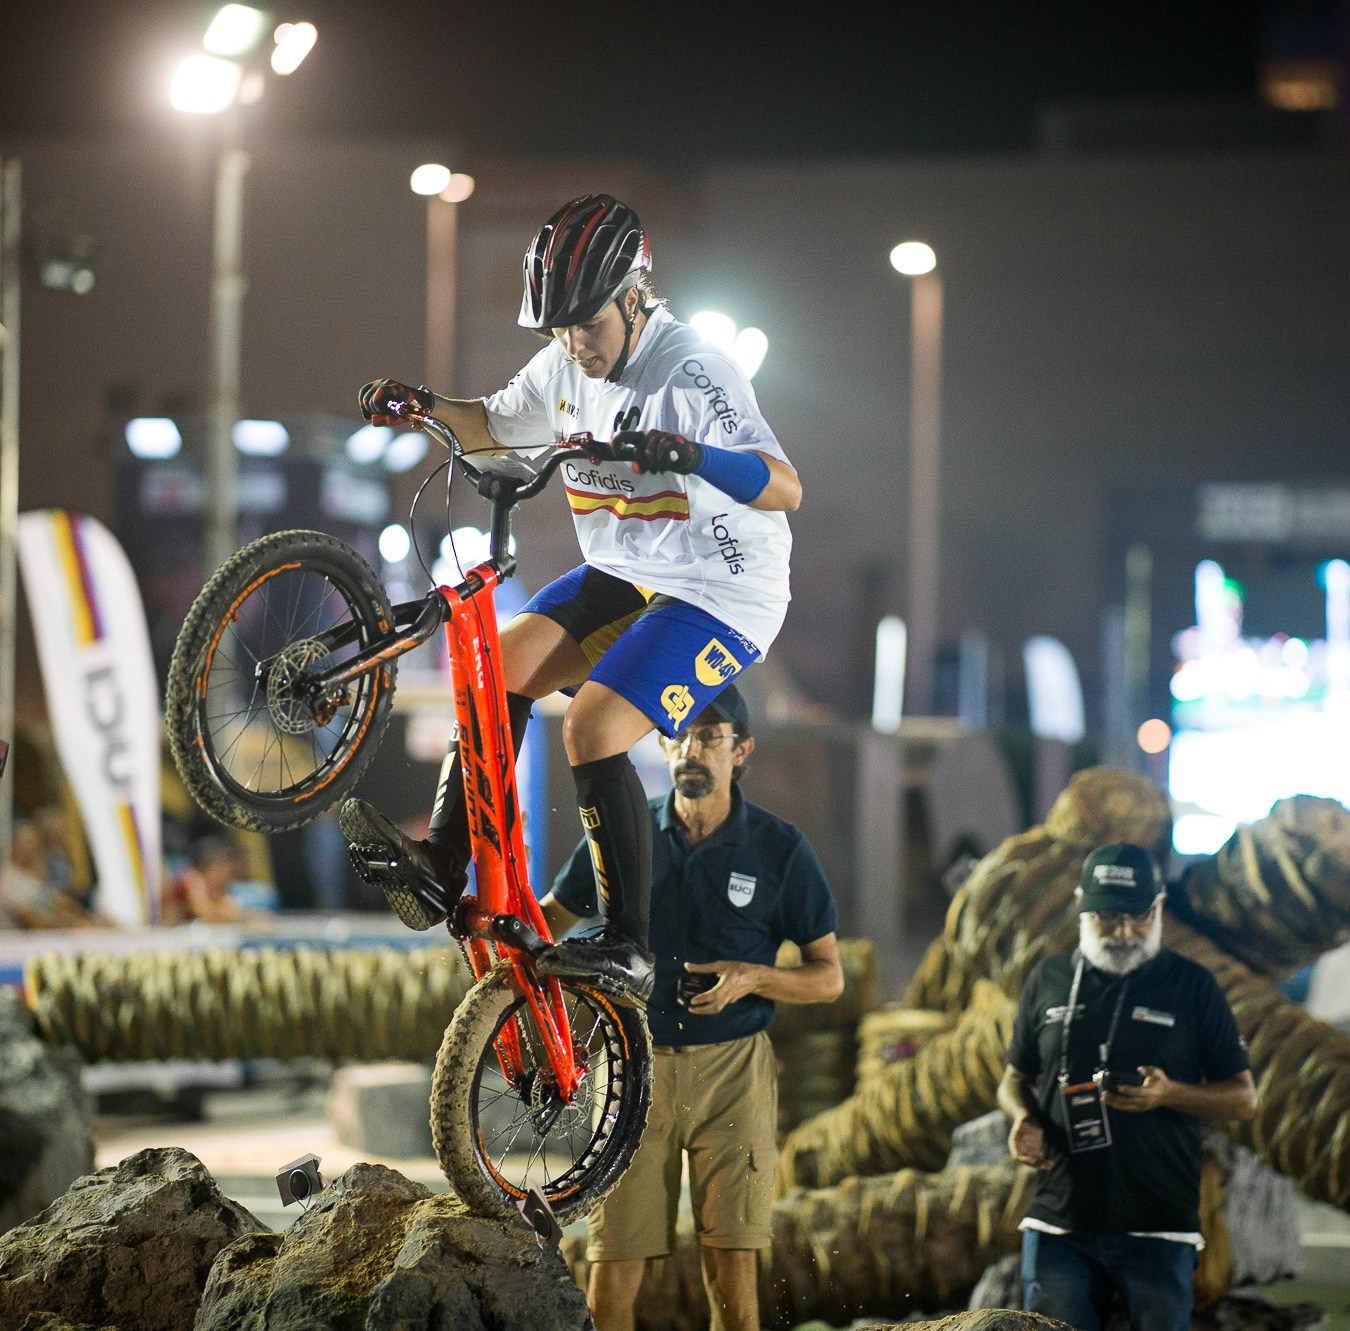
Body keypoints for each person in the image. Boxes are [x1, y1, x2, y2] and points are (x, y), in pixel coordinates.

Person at [341, 193, 801, 1003]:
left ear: (634, 297)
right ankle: (445, 859)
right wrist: (419, 405)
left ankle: (628, 943)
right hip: (630, 570)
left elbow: (787, 488)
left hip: (724, 589)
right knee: (496, 667)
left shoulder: (693, 370)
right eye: (557, 328)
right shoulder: (562, 364)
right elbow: (489, 425)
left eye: (587, 324)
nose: (573, 344)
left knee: (592, 726)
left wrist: (693, 453)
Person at [540, 684, 840, 1331]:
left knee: (731, 1273)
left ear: (742, 749)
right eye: (679, 733)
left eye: (710, 735)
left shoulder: (780, 849)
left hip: (734, 1071)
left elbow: (829, 978)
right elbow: (550, 919)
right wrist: (502, 937)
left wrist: (753, 976)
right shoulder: (626, 833)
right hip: (628, 1068)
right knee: (613, 1268)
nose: (691, 748)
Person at [997, 843, 1257, 1331]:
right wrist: (1023, 1118)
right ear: (1081, 905)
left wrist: (1171, 1094)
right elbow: (1014, 1079)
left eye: (1138, 917)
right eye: (1107, 918)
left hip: (1158, 1222)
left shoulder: (1192, 985)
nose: (1123, 932)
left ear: (1157, 907)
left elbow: (1244, 1098)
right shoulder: (1048, 979)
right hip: (1061, 1221)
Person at [161, 834, 252, 924]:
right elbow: (202, 912)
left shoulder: (215, 885)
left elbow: (229, 908)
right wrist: (237, 917)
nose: (223, 873)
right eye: (219, 867)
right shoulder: (191, 877)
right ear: (206, 866)